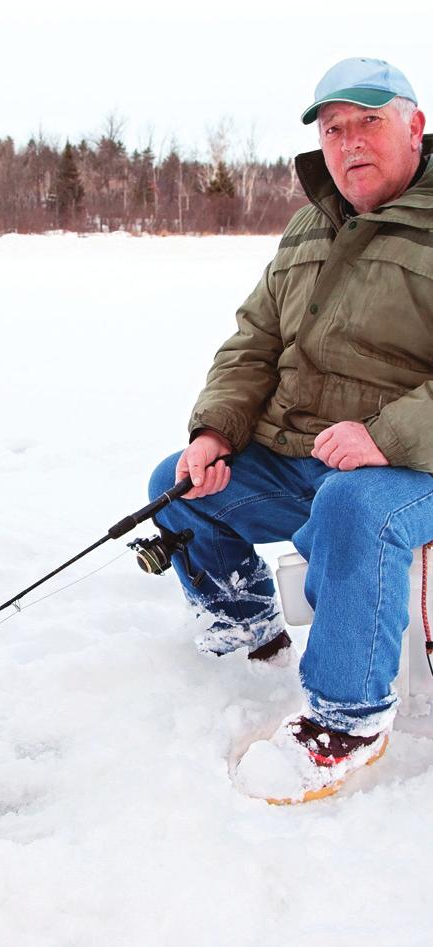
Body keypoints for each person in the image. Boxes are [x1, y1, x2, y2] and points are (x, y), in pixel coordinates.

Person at [148, 57, 433, 804]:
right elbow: (253, 342)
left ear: (415, 125)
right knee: (175, 487)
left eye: (368, 121)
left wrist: (389, 438)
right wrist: (214, 430)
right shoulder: (310, 224)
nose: (349, 141)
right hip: (302, 453)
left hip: (411, 469)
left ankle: (349, 715)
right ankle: (251, 638)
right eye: (333, 128)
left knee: (354, 507)